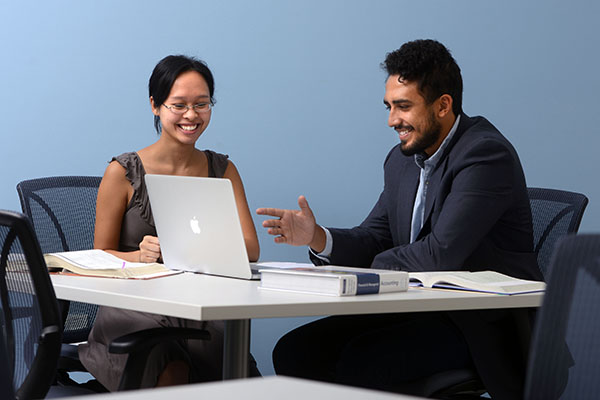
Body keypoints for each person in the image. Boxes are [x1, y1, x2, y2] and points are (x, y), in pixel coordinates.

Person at [256, 39, 542, 400]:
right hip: (416, 311)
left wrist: (373, 269)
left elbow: (441, 255)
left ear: (443, 105)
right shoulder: (402, 159)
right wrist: (319, 238)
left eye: (404, 107)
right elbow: (377, 236)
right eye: (390, 106)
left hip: (477, 325)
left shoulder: (485, 155)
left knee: (360, 363)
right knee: (295, 352)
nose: (393, 120)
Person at [78, 55, 260, 391]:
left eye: (202, 104)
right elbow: (99, 254)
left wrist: (195, 249)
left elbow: (250, 249)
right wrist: (139, 256)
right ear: (155, 106)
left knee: (222, 344)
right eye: (179, 105)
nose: (191, 115)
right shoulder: (122, 172)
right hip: (132, 306)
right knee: (166, 356)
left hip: (194, 302)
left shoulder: (223, 170)